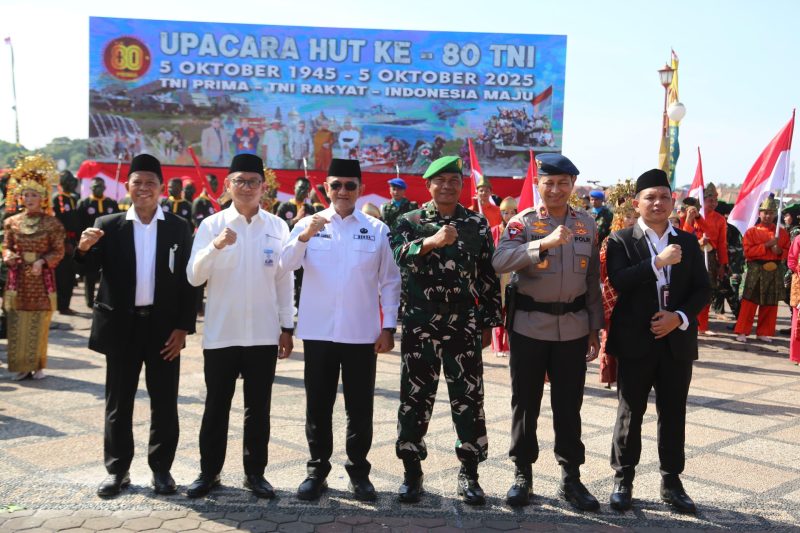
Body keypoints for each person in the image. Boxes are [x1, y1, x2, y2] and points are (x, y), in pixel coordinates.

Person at [75, 154, 196, 498]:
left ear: (161, 189)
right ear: (127, 186)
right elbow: (88, 270)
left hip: (163, 330)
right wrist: (83, 249)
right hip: (122, 329)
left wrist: (183, 328)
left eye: (150, 183)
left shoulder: (177, 227)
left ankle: (161, 470)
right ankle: (118, 471)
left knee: (164, 402)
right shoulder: (109, 224)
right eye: (137, 183)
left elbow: (189, 282)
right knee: (119, 403)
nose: (144, 189)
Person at [280, 158, 400, 502]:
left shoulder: (377, 229)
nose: (343, 191)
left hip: (362, 334)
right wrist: (304, 236)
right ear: (326, 188)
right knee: (318, 406)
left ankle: (358, 472)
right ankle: (317, 470)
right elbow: (286, 266)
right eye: (336, 185)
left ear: (360, 189)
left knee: (359, 407)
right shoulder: (309, 223)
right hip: (318, 333)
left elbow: (390, 280)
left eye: (350, 186)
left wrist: (388, 326)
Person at [492, 153, 602, 510]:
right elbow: (500, 261)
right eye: (548, 183)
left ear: (572, 186)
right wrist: (542, 244)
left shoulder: (587, 224)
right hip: (529, 327)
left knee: (569, 406)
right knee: (526, 404)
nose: (555, 190)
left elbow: (591, 281)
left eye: (563, 183)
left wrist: (594, 327)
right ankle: (522, 473)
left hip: (573, 328)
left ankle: (571, 477)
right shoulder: (522, 223)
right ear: (538, 185)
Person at [392, 155, 501, 506]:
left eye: (454, 179)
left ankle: (470, 473)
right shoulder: (409, 220)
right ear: (428, 186)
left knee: (468, 399)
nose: (447, 186)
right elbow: (398, 254)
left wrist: (488, 322)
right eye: (440, 181)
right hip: (420, 322)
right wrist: (432, 242)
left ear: (462, 184)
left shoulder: (477, 224)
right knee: (414, 398)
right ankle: (411, 471)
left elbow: (487, 275)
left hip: (463, 323)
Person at [185, 154, 294, 499]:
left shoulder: (277, 227)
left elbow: (284, 280)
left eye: (253, 182)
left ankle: (255, 474)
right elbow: (193, 276)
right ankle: (209, 472)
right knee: (216, 406)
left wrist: (286, 326)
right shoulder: (212, 226)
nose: (246, 188)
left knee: (258, 409)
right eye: (239, 181)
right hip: (222, 334)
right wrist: (215, 248)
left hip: (263, 334)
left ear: (264, 187)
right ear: (228, 186)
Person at [605, 169, 709, 514]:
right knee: (630, 411)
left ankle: (671, 481)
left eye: (664, 196)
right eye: (650, 197)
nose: (658, 203)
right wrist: (656, 263)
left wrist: (678, 318)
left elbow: (703, 289)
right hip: (636, 340)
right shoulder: (621, 239)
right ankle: (624, 478)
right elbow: (619, 281)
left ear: (673, 201)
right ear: (637, 203)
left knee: (674, 411)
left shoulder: (689, 242)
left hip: (675, 341)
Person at [3, 155, 65, 380]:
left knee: (38, 322)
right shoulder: (12, 222)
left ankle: (38, 365)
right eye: (26, 194)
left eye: (34, 195)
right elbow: (6, 246)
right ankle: (21, 366)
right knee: (17, 322)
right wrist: (9, 255)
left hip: (40, 279)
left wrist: (42, 261)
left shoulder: (52, 223)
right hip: (18, 279)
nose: (29, 199)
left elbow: (59, 251)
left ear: (43, 198)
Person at [598, 185, 638, 389]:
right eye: (628, 216)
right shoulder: (610, 240)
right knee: (611, 333)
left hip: (636, 292)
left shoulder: (643, 240)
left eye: (635, 217)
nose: (632, 220)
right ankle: (610, 374)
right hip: (613, 292)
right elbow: (602, 271)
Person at [734, 198, 790, 342]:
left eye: (771, 213)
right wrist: (767, 245)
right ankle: (742, 331)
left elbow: (788, 252)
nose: (768, 216)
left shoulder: (782, 233)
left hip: (775, 269)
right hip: (756, 269)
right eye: (765, 212)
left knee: (770, 302)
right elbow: (747, 252)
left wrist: (779, 251)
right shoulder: (751, 232)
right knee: (749, 301)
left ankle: (763, 332)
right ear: (759, 213)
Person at [682, 184, 727, 335]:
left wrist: (723, 264)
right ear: (702, 200)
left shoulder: (720, 219)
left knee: (706, 290)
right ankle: (688, 322)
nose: (713, 203)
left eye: (715, 200)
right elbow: (683, 235)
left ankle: (703, 326)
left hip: (710, 257)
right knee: (688, 289)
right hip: (691, 256)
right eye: (710, 200)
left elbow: (721, 242)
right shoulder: (689, 214)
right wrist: (692, 218)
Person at [77, 177, 119, 308]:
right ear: (91, 188)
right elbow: (79, 225)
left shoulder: (111, 203)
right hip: (91, 246)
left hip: (108, 245)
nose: (98, 189)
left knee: (107, 275)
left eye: (100, 186)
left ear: (105, 188)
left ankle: (105, 300)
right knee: (90, 275)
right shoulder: (84, 203)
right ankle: (90, 302)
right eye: (95, 186)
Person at [52, 170, 81, 315]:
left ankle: (66, 304)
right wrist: (63, 242)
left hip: (73, 242)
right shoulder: (57, 199)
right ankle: (61, 305)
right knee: (61, 276)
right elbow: (56, 222)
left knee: (70, 275)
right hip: (62, 242)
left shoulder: (75, 198)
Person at [491, 196, 517, 357]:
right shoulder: (494, 230)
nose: (508, 215)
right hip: (498, 275)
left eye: (511, 212)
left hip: (514, 275)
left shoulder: (519, 230)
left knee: (512, 311)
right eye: (505, 212)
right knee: (498, 310)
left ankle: (508, 345)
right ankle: (497, 346)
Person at [787, 233, 800, 365]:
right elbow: (791, 261)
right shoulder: (798, 239)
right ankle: (798, 355)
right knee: (798, 320)